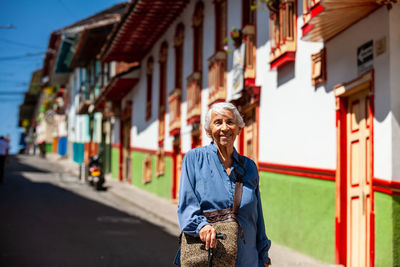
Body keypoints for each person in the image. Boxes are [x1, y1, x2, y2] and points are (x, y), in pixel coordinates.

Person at [176, 102, 271, 266]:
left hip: (247, 259)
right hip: (210, 257)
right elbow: (187, 205)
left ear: (239, 129)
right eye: (218, 122)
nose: (224, 128)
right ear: (208, 131)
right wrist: (202, 227)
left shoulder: (249, 167)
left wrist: (263, 256)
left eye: (230, 122)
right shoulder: (194, 159)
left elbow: (257, 217)